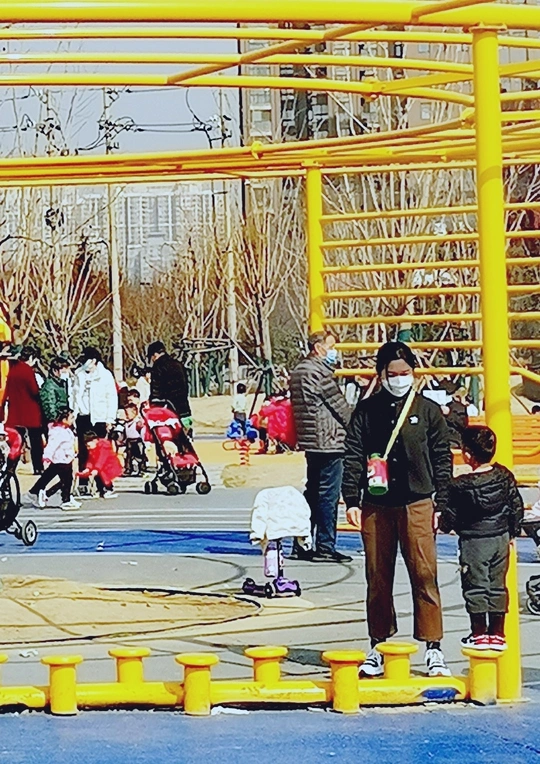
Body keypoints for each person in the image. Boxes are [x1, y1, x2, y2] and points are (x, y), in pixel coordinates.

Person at [342, 341, 452, 678]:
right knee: (377, 575)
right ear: (382, 374)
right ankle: (378, 643)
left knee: (424, 573)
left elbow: (442, 457)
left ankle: (433, 647)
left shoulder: (428, 410)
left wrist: (442, 503)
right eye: (393, 373)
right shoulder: (366, 410)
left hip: (418, 501)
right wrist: (351, 499)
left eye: (406, 372)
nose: (400, 378)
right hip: (377, 504)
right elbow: (353, 453)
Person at [440, 426, 523, 651]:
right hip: (500, 536)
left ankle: (478, 633)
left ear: (468, 454)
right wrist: (513, 532)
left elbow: (451, 516)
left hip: (474, 540)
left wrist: (444, 525)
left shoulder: (460, 486)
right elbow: (516, 505)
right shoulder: (504, 476)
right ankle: (497, 633)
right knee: (497, 585)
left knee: (475, 585)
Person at [290, 331, 352, 563]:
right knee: (328, 495)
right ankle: (325, 546)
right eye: (331, 346)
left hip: (311, 439)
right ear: (318, 348)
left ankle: (302, 543)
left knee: (313, 492)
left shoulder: (299, 370)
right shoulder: (319, 372)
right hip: (330, 439)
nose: (334, 351)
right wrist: (357, 428)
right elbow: (340, 407)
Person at [72, 347, 118, 497]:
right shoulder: (78, 374)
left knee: (100, 453)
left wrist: (110, 419)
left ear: (94, 361)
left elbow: (111, 397)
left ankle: (104, 486)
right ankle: (83, 484)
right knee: (84, 452)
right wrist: (74, 413)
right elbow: (74, 395)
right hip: (83, 416)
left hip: (100, 418)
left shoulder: (105, 375)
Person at [2, 346, 44, 474]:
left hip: (15, 411)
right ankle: (38, 467)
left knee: (16, 442)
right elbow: (34, 390)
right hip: (30, 411)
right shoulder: (27, 370)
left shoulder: (13, 370)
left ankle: (11, 467)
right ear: (31, 358)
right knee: (36, 441)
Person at [27, 408, 80, 511]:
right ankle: (65, 499)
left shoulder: (67, 430)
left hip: (66, 458)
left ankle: (35, 491)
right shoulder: (57, 432)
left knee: (49, 476)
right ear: (64, 419)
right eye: (71, 418)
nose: (73, 420)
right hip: (60, 458)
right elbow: (51, 445)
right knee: (66, 480)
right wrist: (47, 457)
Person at [147, 341, 191, 421]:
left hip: (168, 409)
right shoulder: (178, 364)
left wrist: (153, 404)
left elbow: (156, 389)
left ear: (155, 355)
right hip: (184, 406)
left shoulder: (158, 367)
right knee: (185, 427)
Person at [78, 431, 122, 499]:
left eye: (88, 446)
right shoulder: (92, 449)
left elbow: (101, 459)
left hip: (109, 465)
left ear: (94, 441)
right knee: (97, 477)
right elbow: (91, 460)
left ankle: (109, 489)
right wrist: (88, 468)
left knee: (104, 477)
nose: (88, 448)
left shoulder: (103, 446)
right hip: (100, 465)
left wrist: (96, 469)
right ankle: (100, 490)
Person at [39, 357, 71, 424]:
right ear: (55, 371)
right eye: (63, 372)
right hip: (56, 421)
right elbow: (49, 405)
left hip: (65, 418)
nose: (66, 373)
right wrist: (56, 419)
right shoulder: (49, 386)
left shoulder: (63, 383)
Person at [123, 403, 147, 476]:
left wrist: (144, 442)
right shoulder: (126, 424)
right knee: (129, 456)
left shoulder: (137, 423)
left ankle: (141, 469)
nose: (126, 415)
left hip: (137, 441)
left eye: (127, 413)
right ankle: (129, 469)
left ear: (134, 413)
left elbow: (143, 433)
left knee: (139, 456)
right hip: (129, 441)